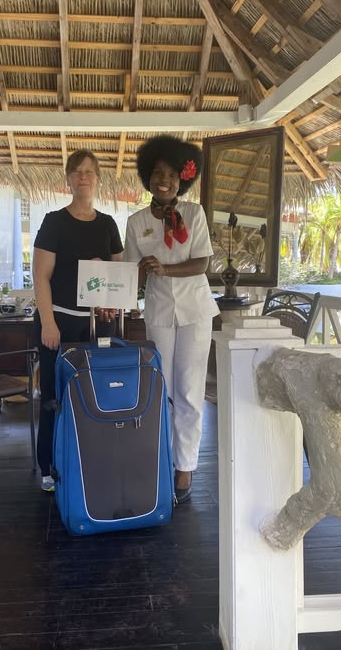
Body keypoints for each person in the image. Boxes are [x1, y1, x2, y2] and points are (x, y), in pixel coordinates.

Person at [123, 135, 218, 503]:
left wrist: (165, 269)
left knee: (190, 390)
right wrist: (116, 285)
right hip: (159, 312)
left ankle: (185, 467)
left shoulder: (194, 214)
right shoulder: (136, 221)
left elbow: (202, 263)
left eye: (172, 175)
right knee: (160, 388)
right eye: (158, 173)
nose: (164, 180)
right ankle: (162, 459)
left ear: (183, 179)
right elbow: (133, 274)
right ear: (148, 176)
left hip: (196, 311)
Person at [32, 150, 123, 491]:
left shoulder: (108, 224)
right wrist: (48, 323)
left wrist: (111, 303)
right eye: (77, 171)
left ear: (98, 178)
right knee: (53, 397)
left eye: (89, 171)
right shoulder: (54, 222)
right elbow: (41, 277)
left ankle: (91, 463)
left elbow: (117, 277)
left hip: (98, 326)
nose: (83, 176)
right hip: (60, 324)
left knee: (96, 394)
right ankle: (49, 467)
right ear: (69, 178)